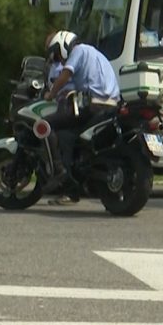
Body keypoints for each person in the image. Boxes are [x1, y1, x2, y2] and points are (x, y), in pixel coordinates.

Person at [41, 30, 121, 205]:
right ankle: (72, 190)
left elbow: (64, 76)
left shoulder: (78, 51)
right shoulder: (95, 53)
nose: (60, 61)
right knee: (68, 137)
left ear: (62, 46)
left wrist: (50, 94)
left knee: (46, 126)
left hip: (94, 106)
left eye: (57, 54)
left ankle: (58, 172)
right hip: (111, 105)